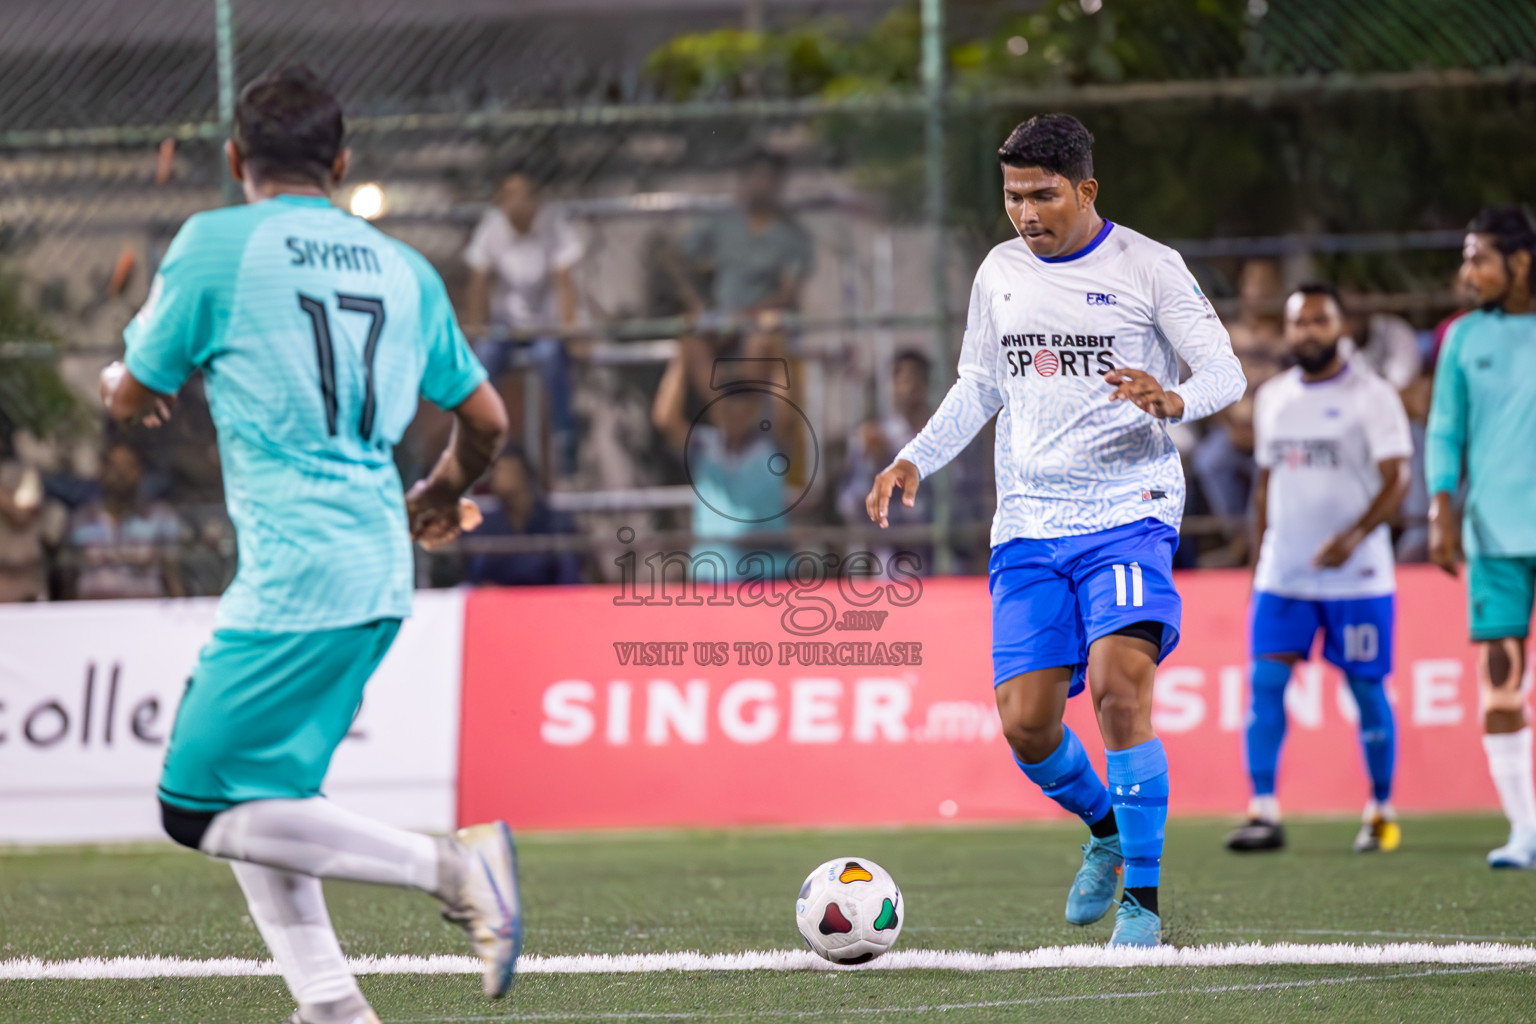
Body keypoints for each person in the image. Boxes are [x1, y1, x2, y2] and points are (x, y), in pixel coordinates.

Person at [98, 66, 518, 1024]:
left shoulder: (216, 244)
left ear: (237, 158)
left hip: (299, 572)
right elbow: (486, 421)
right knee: (266, 797)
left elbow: (135, 398)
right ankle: (331, 1006)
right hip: (375, 564)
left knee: (194, 806)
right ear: (341, 161)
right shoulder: (406, 269)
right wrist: (441, 491)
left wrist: (122, 379)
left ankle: (455, 870)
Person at [866, 114, 1244, 947]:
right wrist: (913, 460)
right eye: (1012, 196)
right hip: (1029, 524)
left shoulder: (1150, 267)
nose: (1026, 213)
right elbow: (976, 385)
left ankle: (1142, 904)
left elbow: (1225, 368)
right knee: (1027, 723)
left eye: (1043, 195)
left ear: (1086, 191)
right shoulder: (999, 271)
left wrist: (1176, 398)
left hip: (1127, 512)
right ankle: (1107, 833)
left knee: (1118, 689)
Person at [1223, 283, 1412, 855]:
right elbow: (1264, 482)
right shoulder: (1275, 396)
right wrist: (1259, 557)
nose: (1308, 332)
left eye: (1318, 321)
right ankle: (1263, 809)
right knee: (1266, 685)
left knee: (1366, 690)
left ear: (1341, 326)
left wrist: (1353, 537)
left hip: (1358, 577)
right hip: (1285, 575)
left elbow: (1398, 480)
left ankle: (1380, 811)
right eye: (1298, 323)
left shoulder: (1372, 395)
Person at [1426, 205, 1536, 869]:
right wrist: (1442, 508)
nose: (1467, 271)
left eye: (1479, 259)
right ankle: (1524, 831)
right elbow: (1445, 428)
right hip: (1493, 535)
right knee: (1501, 683)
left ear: (1519, 263)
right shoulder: (1462, 338)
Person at [666, 149, 814, 401]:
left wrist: (744, 316)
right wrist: (697, 302)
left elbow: (787, 295)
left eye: (767, 179)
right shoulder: (724, 224)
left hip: (762, 322)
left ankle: (748, 413)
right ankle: (724, 418)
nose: (760, 186)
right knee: (691, 338)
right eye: (754, 178)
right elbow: (674, 256)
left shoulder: (793, 237)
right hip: (721, 321)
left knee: (761, 339)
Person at [462, 171, 584, 476]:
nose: (516, 204)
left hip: (544, 325)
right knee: (484, 361)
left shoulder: (552, 224)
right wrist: (477, 326)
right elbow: (478, 278)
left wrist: (569, 327)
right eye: (508, 197)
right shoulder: (493, 226)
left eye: (523, 195)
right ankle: (479, 438)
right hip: (506, 325)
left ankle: (563, 437)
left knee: (551, 357)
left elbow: (563, 278)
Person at [652, 351, 795, 580]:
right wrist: (683, 357)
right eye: (727, 404)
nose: (735, 412)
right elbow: (665, 418)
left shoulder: (770, 446)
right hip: (713, 573)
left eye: (743, 404)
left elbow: (787, 413)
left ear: (755, 409)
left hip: (770, 572)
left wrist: (778, 350)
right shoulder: (703, 446)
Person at [66, 440, 186, 600]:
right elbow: (67, 579)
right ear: (101, 470)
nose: (121, 473)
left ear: (140, 472)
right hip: (92, 614)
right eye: (113, 466)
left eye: (128, 466)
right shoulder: (81, 519)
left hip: (147, 614)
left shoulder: (162, 517)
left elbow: (174, 576)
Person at [465, 446, 584, 586]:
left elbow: (569, 575)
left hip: (546, 597)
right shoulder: (490, 523)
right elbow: (478, 575)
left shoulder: (555, 521)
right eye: (496, 471)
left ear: (522, 474)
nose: (496, 477)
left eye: (504, 470)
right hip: (501, 600)